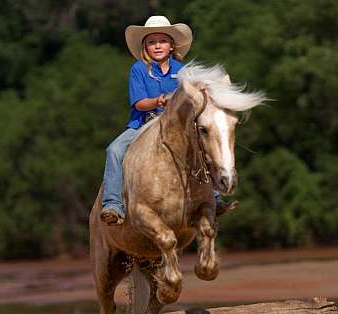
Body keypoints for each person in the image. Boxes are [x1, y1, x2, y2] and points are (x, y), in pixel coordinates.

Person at [100, 15, 236, 225]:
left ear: (171, 46)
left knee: (203, 147)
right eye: (152, 42)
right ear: (145, 47)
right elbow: (139, 103)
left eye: (162, 41)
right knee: (115, 150)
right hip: (144, 123)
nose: (157, 46)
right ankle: (112, 204)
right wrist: (159, 100)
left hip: (178, 127)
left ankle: (214, 197)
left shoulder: (182, 71)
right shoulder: (138, 69)